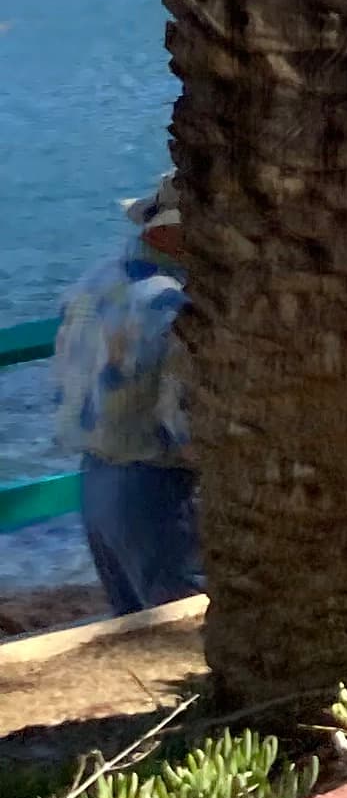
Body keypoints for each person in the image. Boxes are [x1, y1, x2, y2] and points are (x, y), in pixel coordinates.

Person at [51, 182, 200, 616]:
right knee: (184, 621)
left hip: (94, 479)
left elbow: (63, 380)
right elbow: (182, 419)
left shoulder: (94, 280)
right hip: (158, 485)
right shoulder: (173, 303)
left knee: (134, 621)